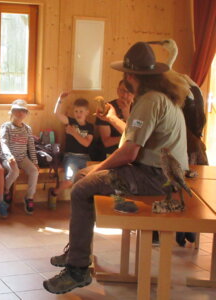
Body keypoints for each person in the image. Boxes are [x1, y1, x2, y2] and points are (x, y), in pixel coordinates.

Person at [43, 42, 189, 294]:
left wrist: (96, 168)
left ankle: (78, 270)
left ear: (130, 76)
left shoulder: (149, 100)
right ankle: (78, 252)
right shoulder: (160, 97)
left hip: (156, 178)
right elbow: (132, 145)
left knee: (80, 189)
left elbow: (129, 152)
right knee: (81, 179)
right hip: (163, 174)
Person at [48, 96, 94, 208]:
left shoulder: (90, 126)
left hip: (85, 157)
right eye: (76, 111)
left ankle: (83, 203)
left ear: (87, 112)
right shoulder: (71, 121)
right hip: (71, 156)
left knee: (89, 180)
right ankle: (54, 192)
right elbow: (57, 114)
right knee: (70, 180)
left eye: (81, 111)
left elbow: (86, 143)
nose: (78, 113)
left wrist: (74, 133)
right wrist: (59, 100)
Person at [0, 99, 39, 215]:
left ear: (26, 113)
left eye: (23, 111)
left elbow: (31, 146)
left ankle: (29, 197)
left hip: (22, 158)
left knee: (34, 171)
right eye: (17, 110)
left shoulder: (27, 129)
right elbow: (4, 143)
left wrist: (35, 161)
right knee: (14, 171)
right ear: (12, 112)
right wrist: (9, 156)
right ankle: (5, 189)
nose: (20, 113)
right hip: (8, 158)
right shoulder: (5, 126)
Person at [95, 80, 134, 156]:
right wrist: (127, 138)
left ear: (134, 94)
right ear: (117, 90)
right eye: (122, 90)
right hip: (110, 153)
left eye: (129, 92)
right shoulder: (106, 109)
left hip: (130, 153)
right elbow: (107, 142)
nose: (125, 95)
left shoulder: (139, 109)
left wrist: (127, 115)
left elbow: (139, 135)